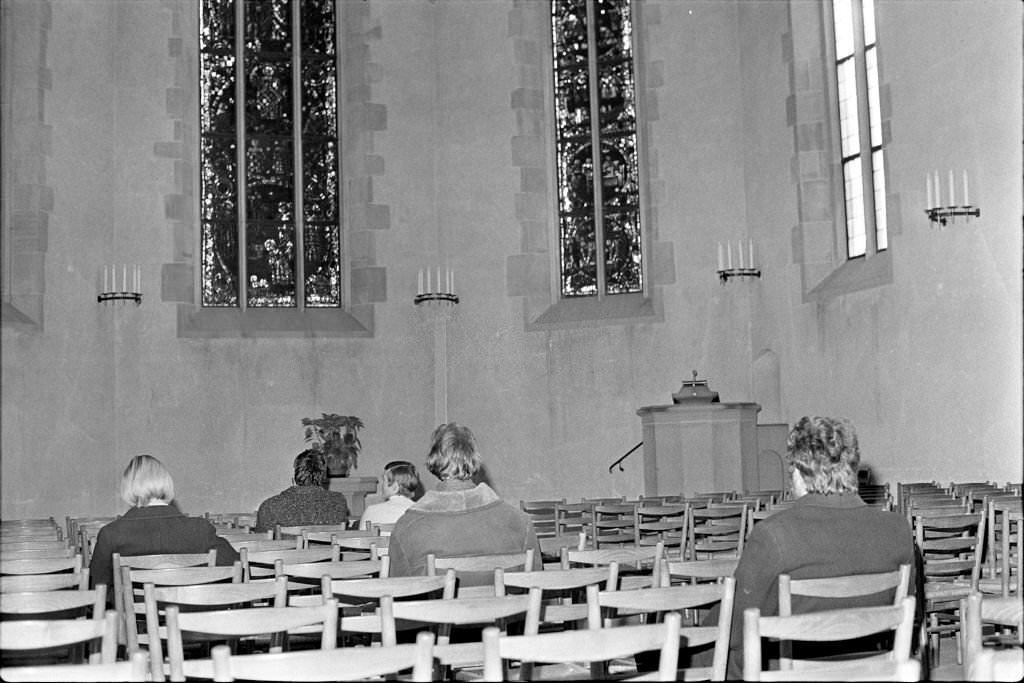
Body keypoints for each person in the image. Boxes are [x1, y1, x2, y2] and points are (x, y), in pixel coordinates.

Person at [722, 416, 917, 679]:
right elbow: (910, 612)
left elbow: (738, 629)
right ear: (852, 470)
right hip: (872, 667)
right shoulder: (897, 529)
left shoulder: (773, 534)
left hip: (792, 672)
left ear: (799, 475)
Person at [387, 423, 542, 581]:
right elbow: (536, 591)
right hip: (507, 606)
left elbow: (399, 598)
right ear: (474, 459)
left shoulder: (406, 528)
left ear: (433, 460)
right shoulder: (520, 522)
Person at [89, 454, 239, 595]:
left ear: (128, 488)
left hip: (137, 620)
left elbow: (97, 592)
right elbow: (238, 570)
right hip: (191, 617)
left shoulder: (111, 534)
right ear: (167, 483)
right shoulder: (200, 528)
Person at [254, 449, 349, 533]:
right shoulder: (338, 502)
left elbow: (260, 546)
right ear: (323, 477)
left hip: (287, 553)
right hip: (328, 553)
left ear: (294, 476)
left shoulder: (270, 507)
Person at [358, 460, 421, 532]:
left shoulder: (371, 511)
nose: (382, 485)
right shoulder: (421, 512)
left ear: (395, 486)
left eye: (384, 481)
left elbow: (362, 540)